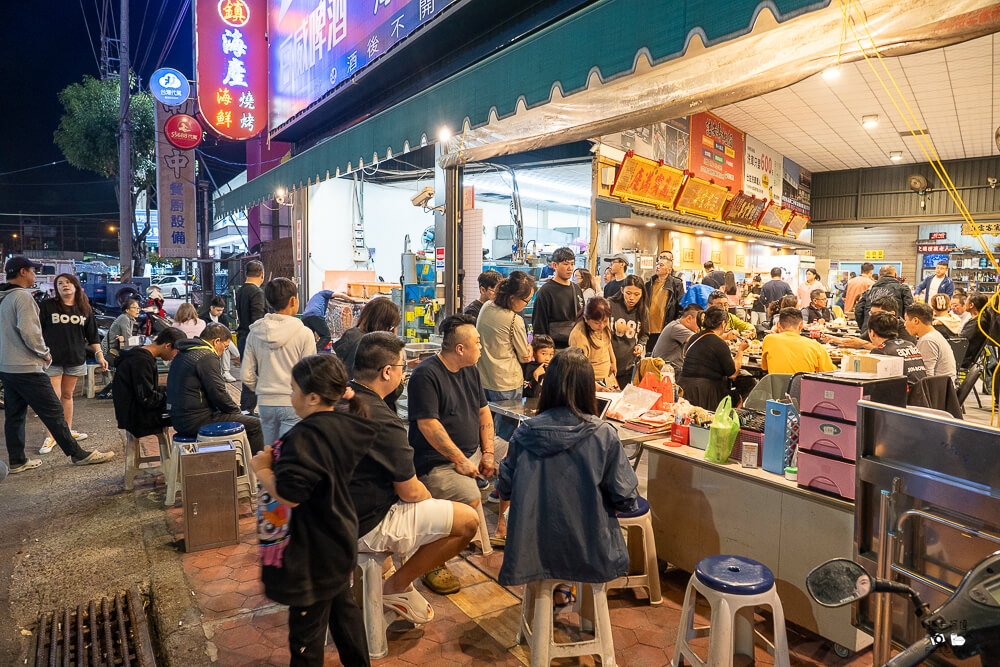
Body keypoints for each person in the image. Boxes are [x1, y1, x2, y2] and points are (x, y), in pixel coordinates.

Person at [251, 354, 376, 667]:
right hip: (337, 536)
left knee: (306, 638)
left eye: (293, 389)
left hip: (312, 551)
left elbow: (291, 495)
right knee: (344, 616)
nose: (290, 396)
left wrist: (262, 469)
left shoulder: (306, 438)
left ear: (313, 396)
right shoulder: (346, 424)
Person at [348, 332, 479, 624]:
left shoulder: (342, 398)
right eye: (402, 368)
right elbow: (410, 491)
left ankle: (388, 582)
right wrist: (428, 502)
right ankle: (393, 588)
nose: (404, 374)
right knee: (468, 520)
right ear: (386, 372)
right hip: (368, 522)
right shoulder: (383, 418)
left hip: (336, 513)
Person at [496, 348, 639, 590]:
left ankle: (557, 591)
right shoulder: (603, 434)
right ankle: (565, 590)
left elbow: (505, 488)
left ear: (549, 385)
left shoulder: (524, 432)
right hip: (591, 550)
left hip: (531, 549)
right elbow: (625, 498)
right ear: (588, 388)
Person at [406, 314, 496, 594]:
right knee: (468, 500)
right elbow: (428, 424)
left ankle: (496, 531)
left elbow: (483, 411)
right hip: (436, 462)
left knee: (516, 468)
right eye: (478, 343)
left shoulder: (470, 369)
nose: (481, 347)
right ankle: (431, 562)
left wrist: (489, 452)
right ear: (460, 348)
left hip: (469, 455)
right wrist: (459, 460)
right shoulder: (426, 374)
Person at [0, 257, 114, 473]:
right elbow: (30, 332)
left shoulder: (4, 297)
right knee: (53, 410)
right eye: (33, 271)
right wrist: (44, 354)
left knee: (15, 415)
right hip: (26, 367)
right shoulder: (22, 298)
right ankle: (78, 454)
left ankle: (17, 461)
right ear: (23, 272)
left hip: (8, 366)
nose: (35, 275)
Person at [166, 322, 265, 452]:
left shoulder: (185, 352)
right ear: (216, 341)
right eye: (225, 347)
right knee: (257, 425)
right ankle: (255, 468)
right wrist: (235, 411)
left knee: (248, 417)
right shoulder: (206, 356)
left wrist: (231, 408)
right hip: (195, 420)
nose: (223, 351)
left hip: (179, 417)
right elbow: (218, 393)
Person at [37, 273, 108, 453]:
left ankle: (67, 432)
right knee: (53, 399)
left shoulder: (84, 308)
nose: (65, 286)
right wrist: (40, 353)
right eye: (60, 283)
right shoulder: (47, 306)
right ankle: (51, 435)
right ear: (56, 288)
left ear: (76, 286)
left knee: (67, 396)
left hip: (75, 359)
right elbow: (36, 330)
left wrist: (100, 356)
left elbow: (92, 336)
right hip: (52, 360)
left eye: (68, 282)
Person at [243, 278, 318, 446]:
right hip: (294, 402)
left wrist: (263, 388)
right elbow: (309, 375)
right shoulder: (304, 333)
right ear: (293, 301)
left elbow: (246, 375)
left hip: (265, 404)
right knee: (289, 455)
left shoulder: (255, 332)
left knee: (270, 453)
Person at [112, 327, 186, 437]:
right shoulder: (142, 361)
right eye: (177, 352)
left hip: (134, 411)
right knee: (189, 414)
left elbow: (148, 389)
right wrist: (174, 398)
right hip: (136, 418)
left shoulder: (141, 355)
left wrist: (172, 391)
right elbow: (147, 399)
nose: (174, 357)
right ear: (167, 345)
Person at [476, 271, 534, 402]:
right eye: (526, 300)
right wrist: (529, 348)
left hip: (483, 379)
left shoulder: (487, 306)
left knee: (486, 421)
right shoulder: (514, 319)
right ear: (513, 297)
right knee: (506, 422)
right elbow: (524, 357)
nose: (527, 304)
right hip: (507, 383)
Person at [677, 306, 748, 410]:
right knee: (742, 389)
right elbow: (733, 374)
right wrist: (741, 350)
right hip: (706, 393)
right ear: (723, 324)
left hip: (685, 389)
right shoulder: (719, 344)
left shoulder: (694, 337)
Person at [332, 297, 402, 377]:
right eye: (391, 327)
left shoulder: (352, 334)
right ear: (382, 323)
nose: (391, 331)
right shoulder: (367, 345)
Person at [531, 247, 584, 349]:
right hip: (554, 350)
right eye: (566, 264)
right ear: (555, 265)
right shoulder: (545, 291)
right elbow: (539, 325)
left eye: (572, 264)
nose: (570, 268)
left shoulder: (576, 289)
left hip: (575, 347)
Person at [761, 308, 837, 375]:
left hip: (775, 389)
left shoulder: (769, 340)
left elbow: (764, 367)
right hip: (803, 390)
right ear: (801, 325)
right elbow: (829, 371)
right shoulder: (815, 346)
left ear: (778, 325)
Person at [236, 260, 267, 412]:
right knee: (254, 377)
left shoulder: (241, 290)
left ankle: (246, 410)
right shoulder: (256, 292)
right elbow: (258, 321)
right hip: (253, 340)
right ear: (262, 274)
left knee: (248, 375)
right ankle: (248, 411)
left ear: (245, 273)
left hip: (243, 337)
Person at [608, 275, 649, 389]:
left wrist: (640, 345)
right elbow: (597, 326)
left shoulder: (643, 310)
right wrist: (614, 326)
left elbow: (645, 334)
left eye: (636, 294)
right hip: (608, 364)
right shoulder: (610, 304)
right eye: (628, 293)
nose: (632, 298)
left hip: (628, 366)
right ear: (622, 290)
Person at [568, 296, 617, 389]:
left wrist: (613, 361)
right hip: (590, 383)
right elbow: (579, 371)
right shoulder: (578, 336)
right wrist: (599, 388)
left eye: (605, 321)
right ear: (586, 319)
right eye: (597, 323)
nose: (601, 326)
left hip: (607, 379)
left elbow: (607, 342)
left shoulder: (602, 321)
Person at [867, 311, 926, 386]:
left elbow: (874, 383)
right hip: (922, 393)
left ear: (872, 333)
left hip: (904, 395)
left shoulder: (880, 352)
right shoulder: (910, 345)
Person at [904, 302, 957, 380]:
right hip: (944, 386)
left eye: (906, 320)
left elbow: (926, 377)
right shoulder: (934, 334)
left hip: (939, 389)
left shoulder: (928, 340)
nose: (905, 324)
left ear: (916, 320)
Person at [645, 252, 686, 351]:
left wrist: (676, 326)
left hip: (666, 328)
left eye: (661, 265)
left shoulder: (676, 284)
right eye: (657, 264)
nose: (657, 267)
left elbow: (681, 308)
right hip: (650, 329)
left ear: (669, 270)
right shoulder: (649, 284)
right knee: (650, 358)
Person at [855, 265, 914, 331]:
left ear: (879, 276)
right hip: (894, 332)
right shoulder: (903, 289)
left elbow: (858, 310)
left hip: (870, 331)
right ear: (895, 275)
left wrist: (864, 327)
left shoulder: (869, 291)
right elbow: (910, 311)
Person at [652, 304, 701, 373]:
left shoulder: (677, 326)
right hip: (666, 373)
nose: (701, 325)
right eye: (700, 321)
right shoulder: (676, 327)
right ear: (688, 319)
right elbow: (701, 341)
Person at [101, 298, 140, 364]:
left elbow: (126, 340)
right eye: (134, 308)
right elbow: (127, 340)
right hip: (108, 352)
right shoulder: (124, 318)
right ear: (127, 310)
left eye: (138, 308)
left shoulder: (130, 319)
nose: (137, 310)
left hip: (115, 350)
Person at [959, 293, 991, 368]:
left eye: (966, 300)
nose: (965, 302)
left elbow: (961, 340)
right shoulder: (979, 320)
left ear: (971, 305)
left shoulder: (977, 323)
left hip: (964, 360)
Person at [523, 334, 554, 398]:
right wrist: (536, 375)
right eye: (543, 354)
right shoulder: (529, 368)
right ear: (534, 354)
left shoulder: (554, 368)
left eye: (551, 354)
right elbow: (529, 394)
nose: (548, 358)